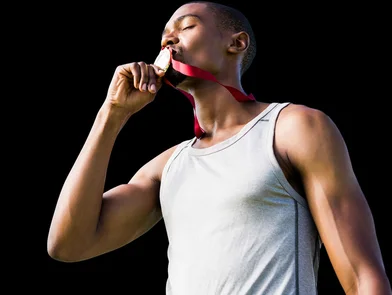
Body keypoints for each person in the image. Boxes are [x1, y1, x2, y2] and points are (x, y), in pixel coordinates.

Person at [47, 1, 391, 294]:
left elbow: (362, 276)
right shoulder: (169, 165)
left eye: (187, 26)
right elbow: (69, 243)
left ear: (236, 43)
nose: (169, 38)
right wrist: (112, 114)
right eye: (165, 33)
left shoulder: (293, 128)